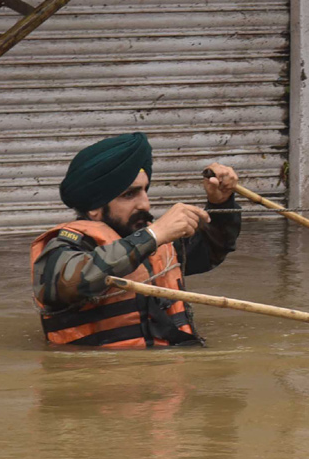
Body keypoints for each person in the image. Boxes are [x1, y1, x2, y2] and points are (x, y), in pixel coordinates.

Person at [30, 132, 241, 348]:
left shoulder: (151, 242)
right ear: (94, 207)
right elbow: (70, 283)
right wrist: (153, 236)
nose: (145, 205)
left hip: (169, 372)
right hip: (100, 376)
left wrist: (220, 204)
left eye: (145, 190)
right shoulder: (63, 246)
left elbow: (210, 250)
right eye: (130, 194)